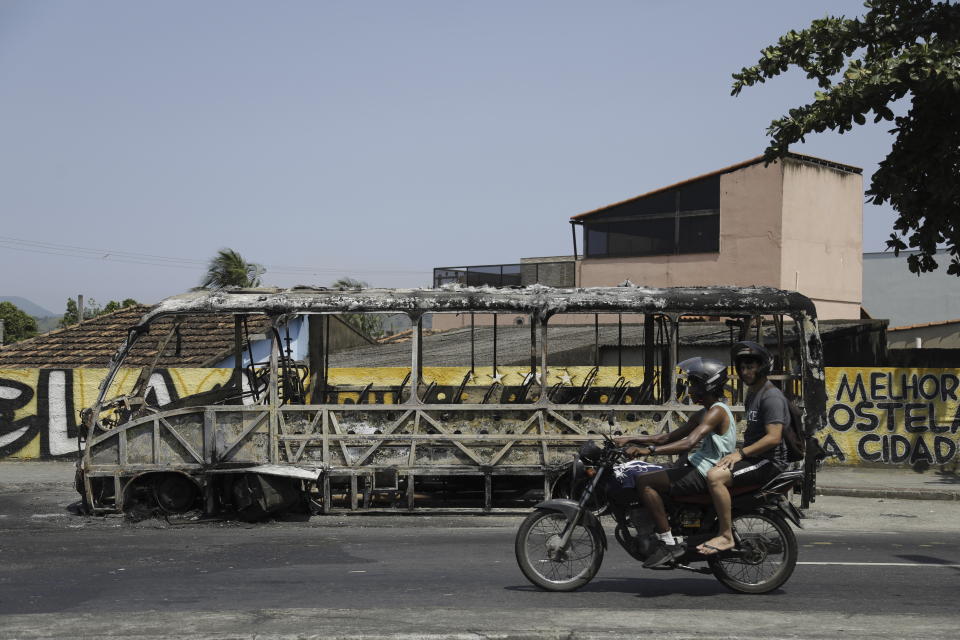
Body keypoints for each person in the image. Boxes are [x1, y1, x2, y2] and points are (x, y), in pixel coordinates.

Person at [613, 357, 736, 568]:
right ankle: (668, 525)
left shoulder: (717, 411)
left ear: (708, 383)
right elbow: (665, 438)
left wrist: (647, 451)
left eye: (694, 383)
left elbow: (688, 443)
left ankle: (668, 542)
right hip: (695, 465)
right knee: (652, 473)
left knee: (646, 482)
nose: (690, 388)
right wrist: (630, 438)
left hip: (706, 470)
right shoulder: (705, 412)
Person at [697, 340, 789, 556]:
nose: (746, 372)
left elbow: (774, 438)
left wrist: (739, 454)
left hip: (769, 461)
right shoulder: (753, 394)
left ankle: (726, 535)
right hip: (756, 458)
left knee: (714, 477)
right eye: (742, 368)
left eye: (751, 367)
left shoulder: (771, 397)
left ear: (763, 367)